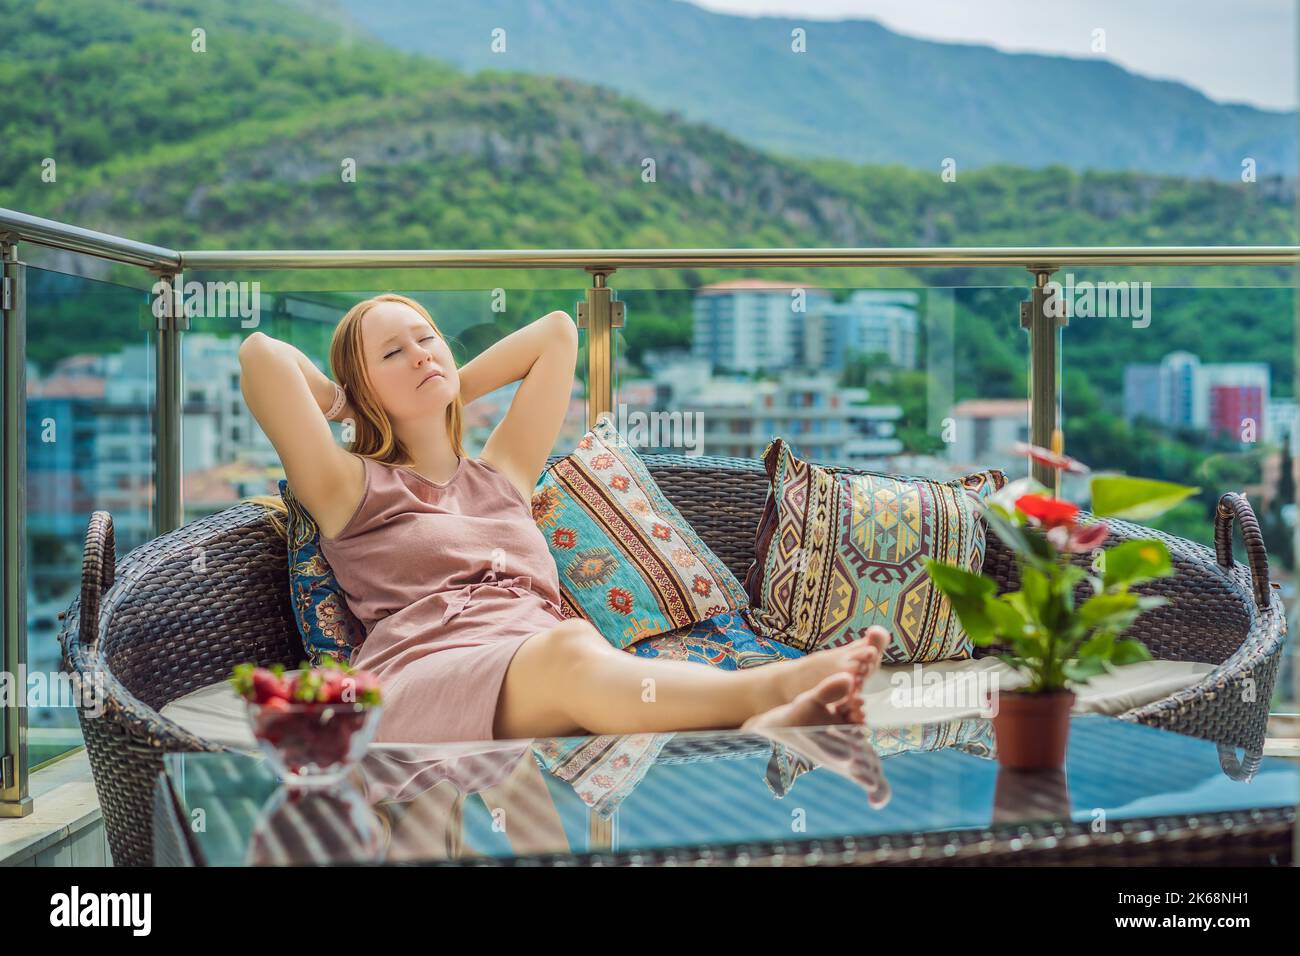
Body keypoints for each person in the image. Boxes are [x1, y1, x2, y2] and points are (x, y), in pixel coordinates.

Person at [240, 293, 888, 744]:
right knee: (570, 651)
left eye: (427, 338)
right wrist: (347, 404)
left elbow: (557, 332)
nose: (419, 354)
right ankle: (770, 693)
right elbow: (261, 356)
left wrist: (440, 389)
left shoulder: (502, 474)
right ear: (363, 385)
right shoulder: (350, 487)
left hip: (538, 661)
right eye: (391, 354)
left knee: (569, 652)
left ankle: (769, 717)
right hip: (427, 679)